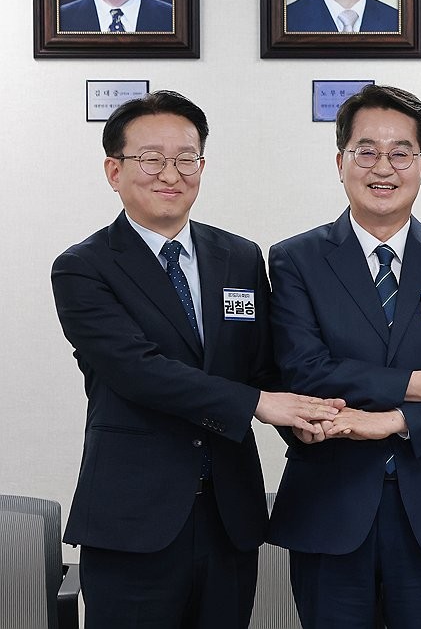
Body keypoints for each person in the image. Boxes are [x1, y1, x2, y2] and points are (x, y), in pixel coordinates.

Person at [50, 91, 342, 628]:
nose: (171, 173)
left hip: (229, 516)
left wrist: (311, 421)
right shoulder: (83, 267)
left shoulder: (240, 257)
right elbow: (139, 371)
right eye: (151, 158)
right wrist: (257, 403)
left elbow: (263, 368)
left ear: (202, 167)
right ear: (114, 170)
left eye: (186, 158)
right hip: (132, 519)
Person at [267, 84, 421, 627]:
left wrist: (393, 420)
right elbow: (304, 370)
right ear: (340, 162)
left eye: (401, 153)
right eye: (366, 151)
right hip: (330, 499)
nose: (383, 168)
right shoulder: (296, 259)